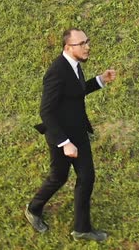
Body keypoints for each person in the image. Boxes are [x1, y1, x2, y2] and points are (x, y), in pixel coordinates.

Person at [25, 28, 116, 242]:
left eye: (87, 42)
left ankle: (82, 229)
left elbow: (76, 91)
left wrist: (100, 80)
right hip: (62, 136)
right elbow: (46, 111)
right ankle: (33, 209)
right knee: (59, 177)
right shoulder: (57, 71)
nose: (87, 46)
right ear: (68, 47)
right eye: (82, 43)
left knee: (86, 177)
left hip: (78, 132)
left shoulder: (74, 65)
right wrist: (65, 142)